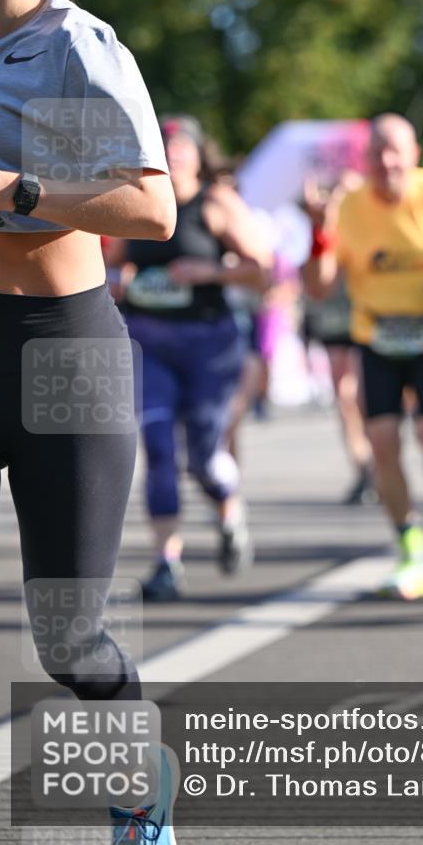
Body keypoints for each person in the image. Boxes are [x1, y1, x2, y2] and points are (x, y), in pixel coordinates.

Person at [0, 0, 179, 841]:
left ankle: (142, 792)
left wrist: (15, 191)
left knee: (67, 636)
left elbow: (154, 207)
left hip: (60, 345)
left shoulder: (73, 44)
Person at [303, 113, 423, 600]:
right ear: (365, 159)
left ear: (414, 155)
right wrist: (320, 232)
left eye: (397, 151)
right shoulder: (349, 207)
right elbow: (320, 288)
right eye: (378, 152)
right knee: (382, 442)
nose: (388, 161)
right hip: (377, 334)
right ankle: (412, 553)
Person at [116, 116, 273, 601]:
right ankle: (167, 562)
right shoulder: (135, 196)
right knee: (159, 450)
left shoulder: (217, 202)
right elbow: (110, 262)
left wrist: (208, 271)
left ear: (201, 153)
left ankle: (229, 511)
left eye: (184, 144)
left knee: (204, 456)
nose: (175, 151)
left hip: (209, 344)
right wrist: (117, 281)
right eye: (166, 144)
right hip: (149, 341)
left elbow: (261, 272)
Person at [302, 173, 375, 505]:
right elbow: (314, 279)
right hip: (333, 317)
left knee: (360, 397)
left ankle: (377, 461)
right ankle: (363, 468)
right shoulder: (321, 227)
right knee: (345, 398)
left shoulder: (366, 222)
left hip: (363, 317)